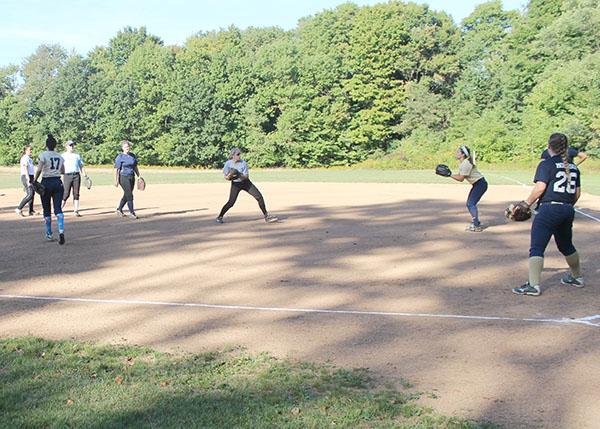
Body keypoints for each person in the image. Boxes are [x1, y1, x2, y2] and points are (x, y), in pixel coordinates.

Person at [513, 133, 583, 296]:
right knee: (566, 245)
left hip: (549, 209)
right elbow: (577, 194)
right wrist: (566, 206)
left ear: (549, 146)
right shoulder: (574, 167)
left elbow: (540, 188)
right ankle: (577, 277)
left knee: (537, 247)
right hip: (567, 209)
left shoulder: (546, 164)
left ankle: (533, 285)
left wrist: (526, 203)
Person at [216, 148, 277, 224]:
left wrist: (238, 174)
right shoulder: (228, 164)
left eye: (239, 154)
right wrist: (230, 176)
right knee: (231, 202)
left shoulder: (243, 163)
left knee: (259, 197)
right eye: (237, 154)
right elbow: (226, 177)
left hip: (246, 183)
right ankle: (220, 217)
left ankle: (266, 216)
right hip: (236, 184)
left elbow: (246, 176)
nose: (239, 156)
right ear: (233, 155)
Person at [445, 146, 488, 232]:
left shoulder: (466, 163)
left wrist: (449, 175)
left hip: (480, 184)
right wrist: (450, 174)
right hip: (478, 184)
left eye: (458, 152)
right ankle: (476, 223)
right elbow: (460, 175)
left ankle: (476, 225)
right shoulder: (463, 162)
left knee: (470, 204)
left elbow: (461, 178)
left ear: (463, 154)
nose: (456, 153)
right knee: (470, 203)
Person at [33, 134, 65, 245]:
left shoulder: (43, 155)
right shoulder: (60, 156)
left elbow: (39, 169)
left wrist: (35, 180)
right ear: (55, 146)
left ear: (46, 145)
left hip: (46, 182)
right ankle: (61, 232)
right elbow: (63, 171)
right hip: (57, 182)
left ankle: (49, 233)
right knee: (58, 209)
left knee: (46, 209)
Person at [114, 140, 141, 219]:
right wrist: (116, 180)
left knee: (127, 194)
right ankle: (132, 212)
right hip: (123, 177)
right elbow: (117, 169)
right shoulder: (120, 157)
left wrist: (139, 176)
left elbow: (135, 167)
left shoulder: (132, 155)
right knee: (129, 194)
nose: (127, 148)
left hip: (131, 176)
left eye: (128, 146)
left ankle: (119, 209)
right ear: (122, 148)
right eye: (125, 147)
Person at [61, 140, 89, 217]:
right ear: (66, 146)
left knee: (76, 193)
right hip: (67, 175)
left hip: (76, 175)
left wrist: (85, 175)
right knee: (66, 193)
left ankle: (76, 210)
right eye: (70, 145)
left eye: (72, 145)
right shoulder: (63, 156)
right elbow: (60, 166)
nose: (72, 147)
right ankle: (59, 209)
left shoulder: (77, 155)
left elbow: (81, 166)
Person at [15, 145, 37, 216]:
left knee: (32, 193)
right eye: (29, 150)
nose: (31, 151)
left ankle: (31, 211)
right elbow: (25, 168)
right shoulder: (25, 158)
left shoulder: (29, 158)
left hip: (30, 176)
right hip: (26, 176)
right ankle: (19, 208)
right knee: (30, 194)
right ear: (25, 151)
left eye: (31, 150)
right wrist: (28, 179)